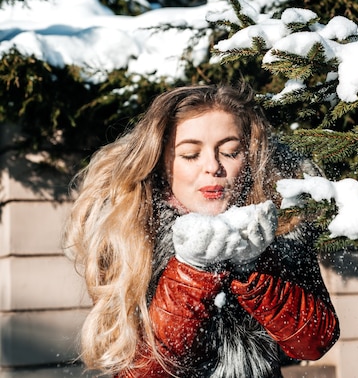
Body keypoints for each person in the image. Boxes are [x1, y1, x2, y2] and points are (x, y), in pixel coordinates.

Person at [63, 84, 340, 377]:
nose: (213, 167)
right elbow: (141, 371)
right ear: (161, 161)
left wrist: (252, 268)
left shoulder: (275, 227)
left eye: (230, 152)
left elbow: (314, 343)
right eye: (190, 154)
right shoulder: (133, 233)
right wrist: (193, 272)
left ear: (250, 157)